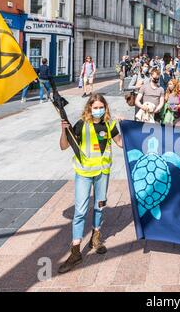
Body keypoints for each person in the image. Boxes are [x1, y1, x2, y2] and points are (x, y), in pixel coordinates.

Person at [58, 94, 123, 274]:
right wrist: (63, 130)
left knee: (100, 205)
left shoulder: (110, 124)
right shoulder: (81, 124)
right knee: (80, 210)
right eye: (95, 107)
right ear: (89, 108)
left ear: (105, 108)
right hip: (84, 173)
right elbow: (64, 146)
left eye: (101, 107)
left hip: (102, 173)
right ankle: (75, 251)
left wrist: (129, 128)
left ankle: (96, 237)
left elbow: (121, 143)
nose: (98, 110)